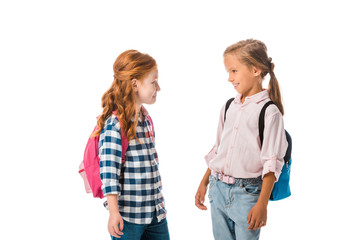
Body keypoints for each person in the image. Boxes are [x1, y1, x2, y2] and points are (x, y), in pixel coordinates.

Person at [195, 39, 288, 240]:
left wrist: (262, 204)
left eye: (234, 71)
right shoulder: (229, 106)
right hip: (217, 189)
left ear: (255, 71)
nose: (230, 78)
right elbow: (219, 150)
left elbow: (271, 163)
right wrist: (204, 182)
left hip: (247, 195)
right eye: (228, 72)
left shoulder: (269, 112)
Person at [93, 50, 170, 240]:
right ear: (135, 84)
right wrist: (113, 213)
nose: (158, 87)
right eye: (153, 82)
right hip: (128, 218)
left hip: (155, 214)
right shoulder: (115, 124)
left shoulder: (145, 119)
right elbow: (109, 173)